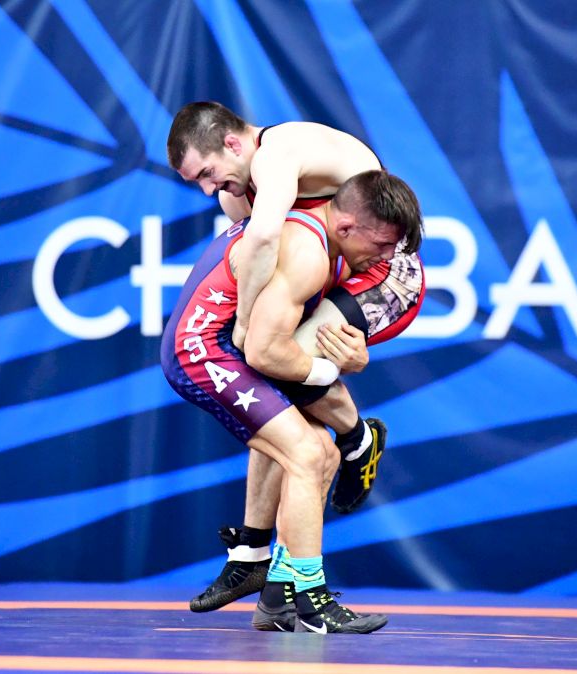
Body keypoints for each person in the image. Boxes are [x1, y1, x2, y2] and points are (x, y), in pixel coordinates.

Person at [166, 102, 426, 614]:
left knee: (270, 360)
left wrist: (243, 322)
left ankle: (355, 436)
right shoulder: (238, 191)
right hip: (341, 252)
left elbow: (263, 238)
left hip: (381, 265)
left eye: (208, 172)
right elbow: (256, 248)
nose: (208, 188)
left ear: (234, 145)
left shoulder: (275, 154)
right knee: (277, 394)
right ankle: (259, 559)